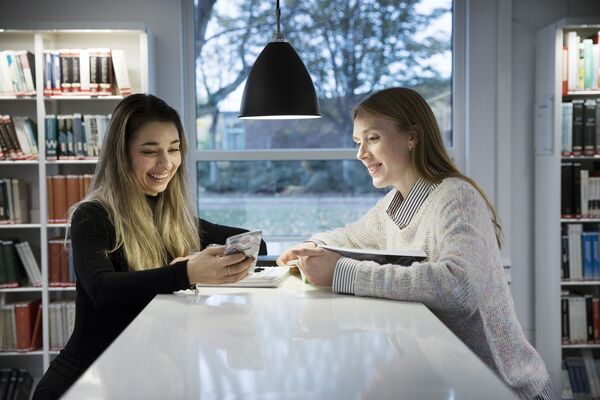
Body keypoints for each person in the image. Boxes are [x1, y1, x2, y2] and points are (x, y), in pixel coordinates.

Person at [278, 87, 554, 400]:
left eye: (373, 138)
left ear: (412, 136)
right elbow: (350, 237)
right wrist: (310, 246)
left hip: (507, 389)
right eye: (358, 142)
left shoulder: (454, 197)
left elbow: (458, 287)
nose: (361, 154)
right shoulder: (393, 206)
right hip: (454, 384)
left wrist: (343, 272)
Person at [33, 93, 266, 400]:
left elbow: (255, 243)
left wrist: (231, 256)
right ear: (122, 155)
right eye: (149, 151)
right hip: (86, 382)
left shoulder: (171, 216)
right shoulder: (92, 215)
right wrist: (185, 273)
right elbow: (102, 289)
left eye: (174, 149)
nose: (166, 163)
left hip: (143, 377)